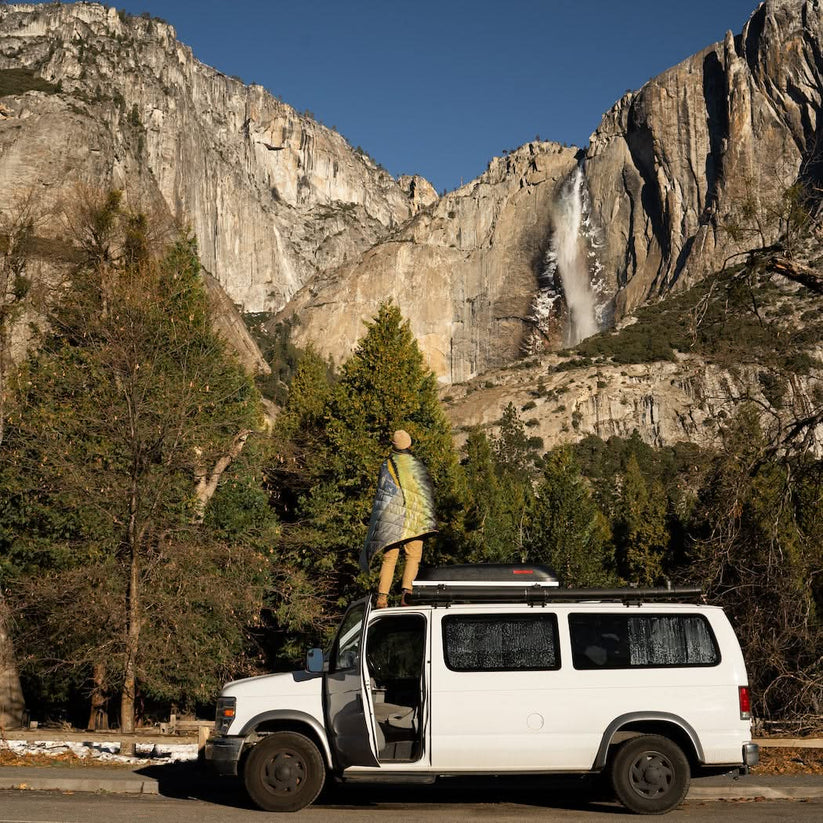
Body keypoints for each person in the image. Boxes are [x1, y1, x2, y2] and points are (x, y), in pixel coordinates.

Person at [360, 430, 436, 607]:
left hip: (391, 518)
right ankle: (406, 595)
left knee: (389, 558)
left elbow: (383, 493)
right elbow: (426, 491)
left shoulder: (386, 465)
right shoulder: (416, 464)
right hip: (414, 519)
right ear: (409, 445)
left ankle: (382, 597)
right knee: (413, 556)